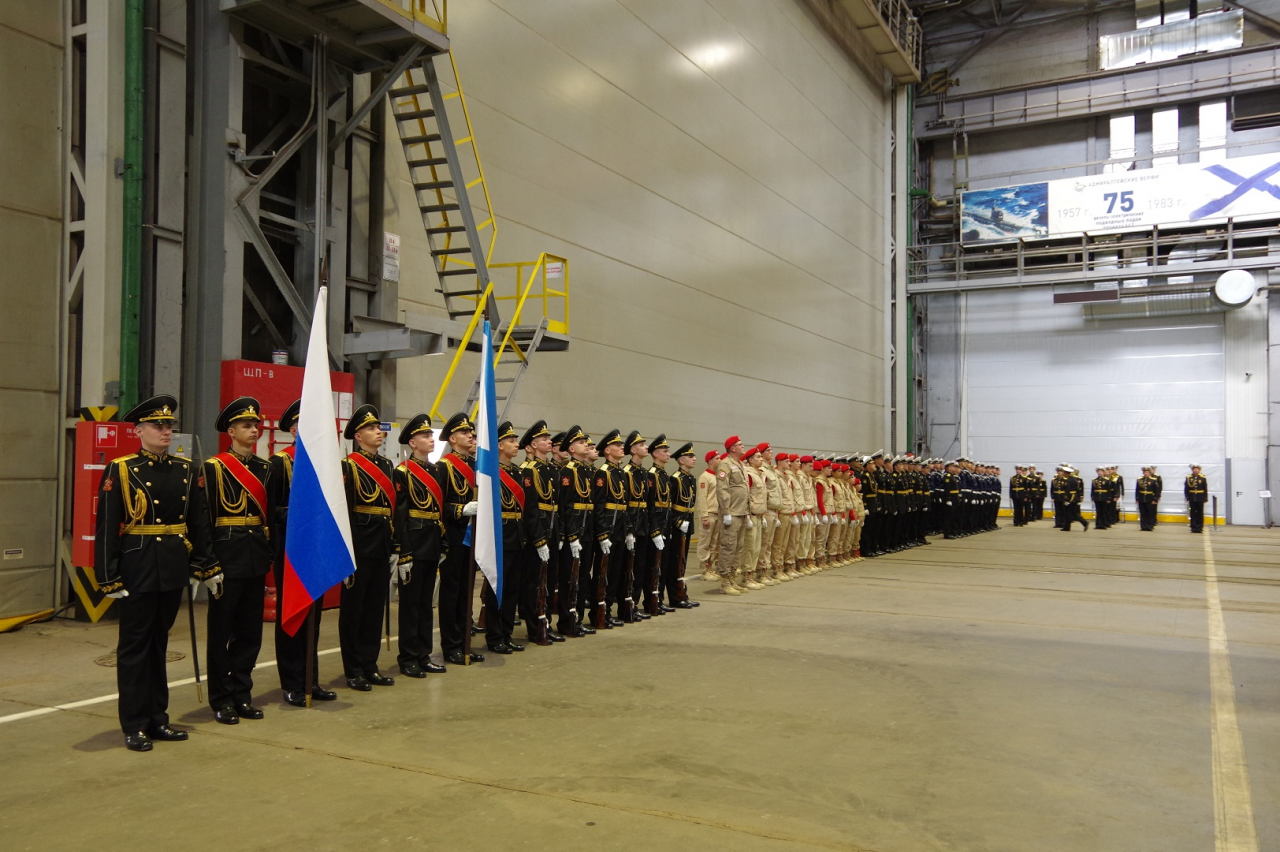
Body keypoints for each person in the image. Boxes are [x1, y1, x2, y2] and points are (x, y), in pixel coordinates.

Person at [95, 394, 220, 751]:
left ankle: (157, 719)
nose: (166, 431)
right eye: (158, 425)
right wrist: (108, 576)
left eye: (169, 426)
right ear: (139, 431)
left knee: (159, 644)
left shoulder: (185, 470)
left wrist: (203, 565)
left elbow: (197, 521)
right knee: (134, 647)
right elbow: (107, 525)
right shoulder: (121, 469)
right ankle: (134, 723)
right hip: (137, 566)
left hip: (171, 565)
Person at [200, 397, 272, 724]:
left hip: (255, 556)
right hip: (226, 560)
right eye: (246, 425)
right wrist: (207, 563)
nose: (254, 429)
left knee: (249, 634)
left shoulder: (265, 468)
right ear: (231, 431)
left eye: (256, 425)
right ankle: (221, 699)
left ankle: (242, 694)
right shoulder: (214, 468)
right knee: (221, 632)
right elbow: (204, 518)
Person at [269, 399, 336, 707]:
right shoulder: (282, 462)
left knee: (314, 619)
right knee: (294, 614)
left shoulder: (325, 464)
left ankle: (311, 678)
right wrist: (302, 514)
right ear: (294, 429)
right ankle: (292, 682)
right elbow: (272, 510)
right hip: (292, 551)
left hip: (316, 549)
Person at [339, 404, 400, 690]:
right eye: (372, 429)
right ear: (358, 436)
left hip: (382, 544)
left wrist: (396, 546)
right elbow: (345, 511)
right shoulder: (348, 466)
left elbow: (392, 509)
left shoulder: (388, 466)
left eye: (379, 428)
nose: (379, 432)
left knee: (376, 609)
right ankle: (353, 669)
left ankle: (370, 664)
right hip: (359, 546)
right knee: (354, 611)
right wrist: (345, 553)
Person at [392, 414, 448, 677]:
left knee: (426, 604)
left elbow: (440, 511)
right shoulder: (402, 472)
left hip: (433, 542)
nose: (431, 439)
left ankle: (424, 654)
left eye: (430, 435)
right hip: (414, 543)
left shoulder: (436, 470)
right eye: (425, 436)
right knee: (410, 605)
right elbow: (400, 515)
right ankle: (408, 657)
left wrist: (444, 544)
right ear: (413, 443)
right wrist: (404, 553)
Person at [438, 412, 484, 665]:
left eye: (472, 433)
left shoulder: (476, 466)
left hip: (472, 539)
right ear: (453, 439)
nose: (471, 437)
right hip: (454, 538)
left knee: (467, 593)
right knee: (452, 593)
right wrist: (460, 509)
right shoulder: (444, 467)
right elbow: (437, 505)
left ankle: (465, 641)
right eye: (466, 433)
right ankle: (451, 646)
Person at [483, 421, 527, 654]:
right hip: (499, 537)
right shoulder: (490, 472)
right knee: (496, 589)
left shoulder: (518, 472)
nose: (516, 444)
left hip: (516, 535)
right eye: (511, 441)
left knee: (512, 590)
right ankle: (494, 635)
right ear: (500, 445)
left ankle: (507, 633)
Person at [517, 420, 560, 644]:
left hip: (552, 530)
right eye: (543, 439)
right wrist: (539, 539)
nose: (549, 441)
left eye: (548, 438)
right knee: (534, 583)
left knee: (549, 581)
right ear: (532, 446)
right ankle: (535, 626)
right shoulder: (527, 471)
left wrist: (558, 536)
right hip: (537, 533)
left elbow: (557, 506)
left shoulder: (551, 469)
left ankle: (546, 621)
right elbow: (530, 509)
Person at [558, 426, 598, 632]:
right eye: (582, 443)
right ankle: (567, 621)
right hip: (574, 532)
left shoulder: (587, 471)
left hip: (588, 531)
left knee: (583, 577)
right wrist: (571, 536)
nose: (587, 445)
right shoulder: (568, 471)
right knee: (569, 578)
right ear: (572, 449)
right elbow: (566, 506)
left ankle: (578, 618)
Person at [665, 443, 700, 607]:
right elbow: (668, 505)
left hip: (688, 521)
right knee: (675, 561)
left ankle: (682, 593)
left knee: (683, 560)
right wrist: (677, 522)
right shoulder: (676, 479)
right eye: (690, 457)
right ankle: (675, 596)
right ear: (681, 460)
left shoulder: (690, 478)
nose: (694, 459)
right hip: (678, 525)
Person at [715, 436, 749, 595]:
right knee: (728, 547)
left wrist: (747, 513)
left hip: (741, 512)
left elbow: (745, 490)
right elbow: (723, 489)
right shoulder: (725, 464)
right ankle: (725, 581)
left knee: (738, 547)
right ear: (732, 448)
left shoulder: (740, 464)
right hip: (732, 513)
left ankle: (733, 577)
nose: (743, 447)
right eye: (740, 445)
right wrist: (726, 511)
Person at [695, 451, 721, 581]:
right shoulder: (705, 477)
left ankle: (710, 566)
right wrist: (704, 516)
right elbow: (702, 498)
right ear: (710, 461)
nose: (720, 460)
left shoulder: (717, 476)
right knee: (705, 542)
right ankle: (705, 569)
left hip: (717, 513)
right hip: (709, 513)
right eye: (717, 458)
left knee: (714, 542)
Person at [1058, 465, 1089, 532]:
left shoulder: (1069, 480)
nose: (1063, 473)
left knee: (1071, 513)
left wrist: (1066, 500)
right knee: (1069, 513)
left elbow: (1068, 491)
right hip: (1074, 498)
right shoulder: (1073, 479)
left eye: (1064, 472)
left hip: (1071, 498)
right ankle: (1067, 527)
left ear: (1066, 473)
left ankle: (1084, 522)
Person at [1185, 464, 1208, 533]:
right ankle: (1193, 527)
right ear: (1192, 470)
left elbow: (1205, 488)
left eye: (1197, 469)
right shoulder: (1189, 477)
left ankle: (1199, 527)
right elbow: (1186, 488)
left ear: (1199, 470)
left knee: (1200, 513)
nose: (1195, 470)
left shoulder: (1202, 477)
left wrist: (1205, 498)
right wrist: (1187, 497)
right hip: (1192, 498)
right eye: (1194, 469)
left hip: (1200, 498)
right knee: (1193, 513)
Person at [1136, 465, 1161, 531]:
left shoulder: (1153, 480)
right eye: (1144, 472)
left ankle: (1149, 526)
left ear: (1149, 473)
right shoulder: (1139, 480)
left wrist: (1155, 499)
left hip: (1150, 498)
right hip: (1142, 498)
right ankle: (1143, 526)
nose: (1146, 473)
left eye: (1147, 472)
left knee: (1149, 513)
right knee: (1143, 513)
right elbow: (1137, 490)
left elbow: (1156, 490)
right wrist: (1137, 498)